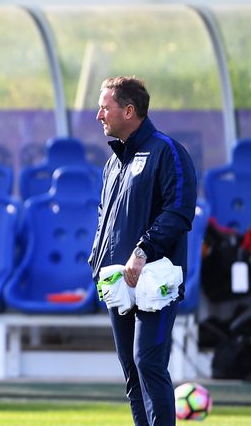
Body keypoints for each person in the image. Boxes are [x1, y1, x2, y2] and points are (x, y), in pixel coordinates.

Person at [88, 77, 197, 426]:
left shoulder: (168, 151)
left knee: (148, 360)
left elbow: (179, 210)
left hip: (156, 278)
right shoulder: (112, 162)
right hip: (119, 280)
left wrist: (143, 250)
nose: (99, 115)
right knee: (132, 369)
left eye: (105, 107)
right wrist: (98, 260)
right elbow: (105, 218)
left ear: (129, 110)